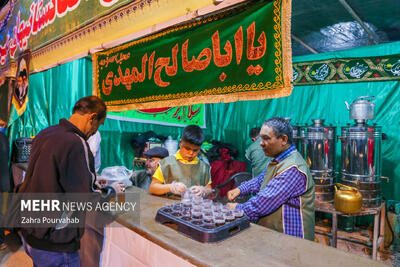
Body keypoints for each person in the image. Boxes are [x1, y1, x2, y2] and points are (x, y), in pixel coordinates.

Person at [18, 96, 125, 267]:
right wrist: (111, 190)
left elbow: (52, 175)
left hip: (30, 233)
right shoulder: (77, 143)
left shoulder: (45, 133)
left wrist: (91, 180)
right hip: (55, 242)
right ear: (92, 117)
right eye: (99, 125)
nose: (95, 131)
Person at [227, 117, 315, 241]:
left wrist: (237, 208)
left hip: (291, 239)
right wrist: (241, 189)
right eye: (261, 138)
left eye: (266, 138)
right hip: (276, 234)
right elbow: (261, 179)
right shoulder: (280, 160)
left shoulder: (292, 168)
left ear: (283, 139)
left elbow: (263, 203)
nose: (261, 143)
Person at [149, 125, 211, 197]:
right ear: (180, 143)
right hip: (170, 205)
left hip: (194, 206)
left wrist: (204, 190)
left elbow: (209, 188)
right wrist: (170, 187)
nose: (191, 153)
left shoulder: (204, 167)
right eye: (187, 148)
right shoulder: (166, 164)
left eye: (195, 150)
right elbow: (152, 188)